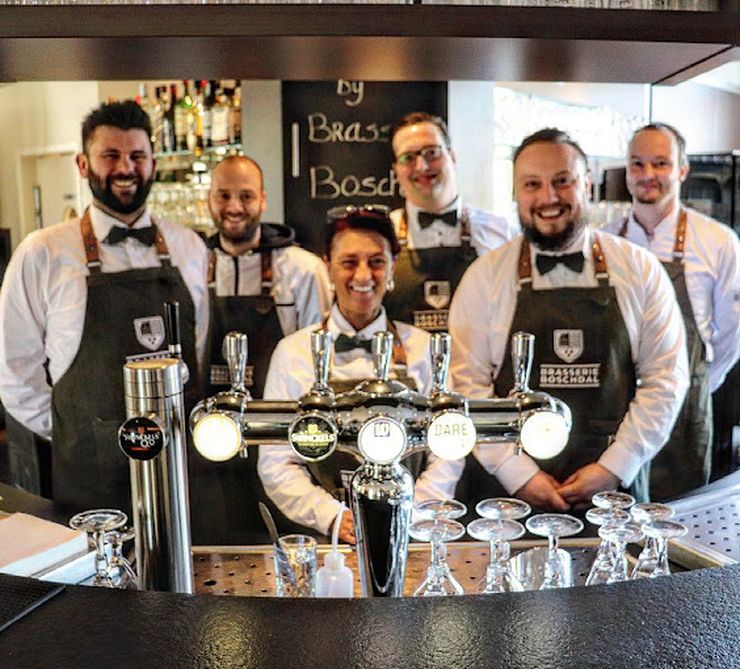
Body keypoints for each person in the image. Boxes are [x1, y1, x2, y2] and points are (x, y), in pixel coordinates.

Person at [449, 127, 689, 511]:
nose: (549, 197)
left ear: (587, 186)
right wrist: (517, 473)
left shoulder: (640, 269)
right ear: (515, 192)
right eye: (532, 184)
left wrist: (614, 466)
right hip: (507, 501)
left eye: (563, 181)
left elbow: (666, 380)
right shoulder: (484, 277)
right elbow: (467, 387)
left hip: (613, 498)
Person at [0, 100, 209, 519]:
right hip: (89, 476)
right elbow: (13, 371)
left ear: (153, 163)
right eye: (110, 155)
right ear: (83, 164)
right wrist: (75, 432)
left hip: (181, 468)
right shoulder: (42, 252)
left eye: (137, 156)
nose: (125, 168)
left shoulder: (189, 246)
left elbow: (199, 348)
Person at [258, 205, 463, 543]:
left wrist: (410, 512)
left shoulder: (425, 349)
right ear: (328, 267)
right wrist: (333, 517)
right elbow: (276, 462)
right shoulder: (293, 353)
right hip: (326, 541)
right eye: (349, 262)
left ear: (393, 266)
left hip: (412, 533)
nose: (364, 276)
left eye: (377, 262)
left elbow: (448, 450)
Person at [605, 122, 740, 499]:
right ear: (627, 171)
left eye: (660, 163)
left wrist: (693, 386)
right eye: (637, 164)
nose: (648, 174)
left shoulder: (718, 242)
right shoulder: (605, 243)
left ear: (682, 170)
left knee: (678, 515)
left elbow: (732, 336)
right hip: (615, 412)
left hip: (685, 415)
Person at [204, 154, 331, 540]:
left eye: (245, 196)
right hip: (209, 442)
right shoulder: (192, 265)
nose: (234, 207)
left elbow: (317, 362)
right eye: (223, 195)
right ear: (208, 199)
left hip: (281, 441)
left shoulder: (303, 269)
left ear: (263, 200)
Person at [383, 112, 519, 333]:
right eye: (408, 157)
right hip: (402, 356)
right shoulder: (381, 235)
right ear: (396, 170)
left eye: (431, 152)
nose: (422, 166)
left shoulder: (500, 232)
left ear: (453, 157)